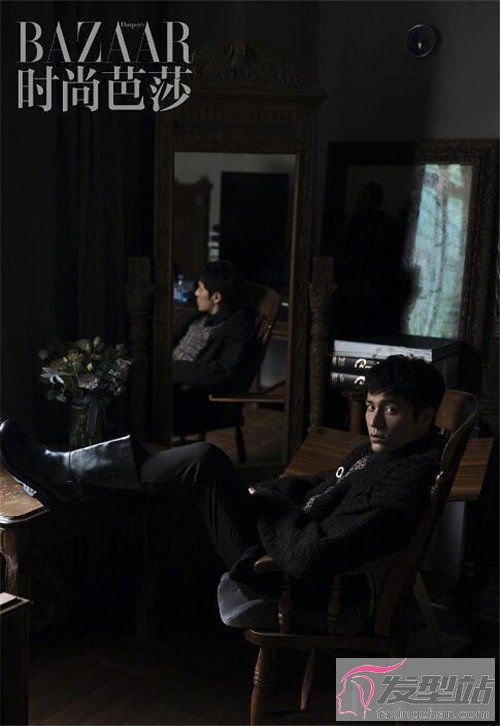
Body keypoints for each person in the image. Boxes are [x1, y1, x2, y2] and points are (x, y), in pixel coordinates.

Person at [0, 355, 445, 631]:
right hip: (280, 534)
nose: (374, 422)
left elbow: (310, 557)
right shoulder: (383, 453)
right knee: (184, 473)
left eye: (390, 410)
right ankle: (72, 476)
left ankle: (67, 472)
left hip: (280, 571)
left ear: (424, 417)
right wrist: (270, 490)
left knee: (202, 462)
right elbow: (324, 482)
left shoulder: (399, 484)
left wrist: (271, 505)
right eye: (370, 407)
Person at [171, 259, 259, 433]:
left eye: (201, 288)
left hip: (190, 403)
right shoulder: (198, 317)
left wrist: (166, 369)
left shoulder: (236, 330)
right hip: (167, 384)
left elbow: (222, 373)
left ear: (217, 297)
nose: (196, 293)